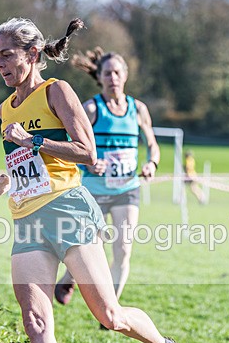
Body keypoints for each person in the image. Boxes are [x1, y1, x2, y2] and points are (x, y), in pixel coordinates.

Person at [0, 17, 198, 343]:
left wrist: (34, 141)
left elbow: (87, 153)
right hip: (27, 219)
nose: (0, 64)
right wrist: (5, 179)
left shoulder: (57, 92)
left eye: (6, 55)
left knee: (109, 315)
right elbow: (25, 167)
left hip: (68, 211)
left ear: (32, 54)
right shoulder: (5, 108)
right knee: (36, 322)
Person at [53, 48, 160, 309]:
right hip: (94, 190)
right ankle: (69, 278)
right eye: (107, 73)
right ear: (99, 78)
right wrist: (92, 159)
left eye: (116, 72)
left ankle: (112, 308)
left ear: (125, 75)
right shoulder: (91, 108)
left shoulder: (138, 109)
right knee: (92, 249)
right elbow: (71, 145)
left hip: (127, 189)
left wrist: (151, 163)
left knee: (123, 250)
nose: (112, 77)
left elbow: (152, 144)